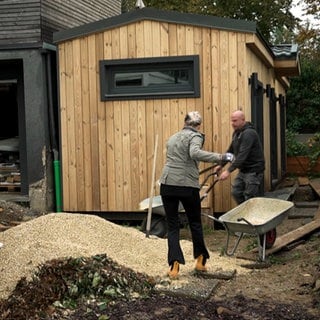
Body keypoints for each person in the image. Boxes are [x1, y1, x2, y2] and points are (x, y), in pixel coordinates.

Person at [159, 111, 234, 279]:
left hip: (167, 184)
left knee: (172, 225)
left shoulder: (172, 137)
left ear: (184, 122)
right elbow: (194, 153)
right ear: (198, 125)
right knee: (195, 223)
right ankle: (200, 260)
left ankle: (174, 266)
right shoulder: (196, 136)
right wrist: (221, 157)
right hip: (187, 186)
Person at [219, 110, 265, 204]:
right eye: (232, 121)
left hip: (253, 170)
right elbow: (231, 151)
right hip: (243, 170)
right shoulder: (236, 133)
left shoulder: (249, 133)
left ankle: (251, 216)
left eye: (235, 121)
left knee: (250, 196)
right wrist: (221, 165)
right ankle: (244, 212)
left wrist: (228, 171)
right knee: (236, 192)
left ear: (243, 120)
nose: (232, 123)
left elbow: (242, 155)